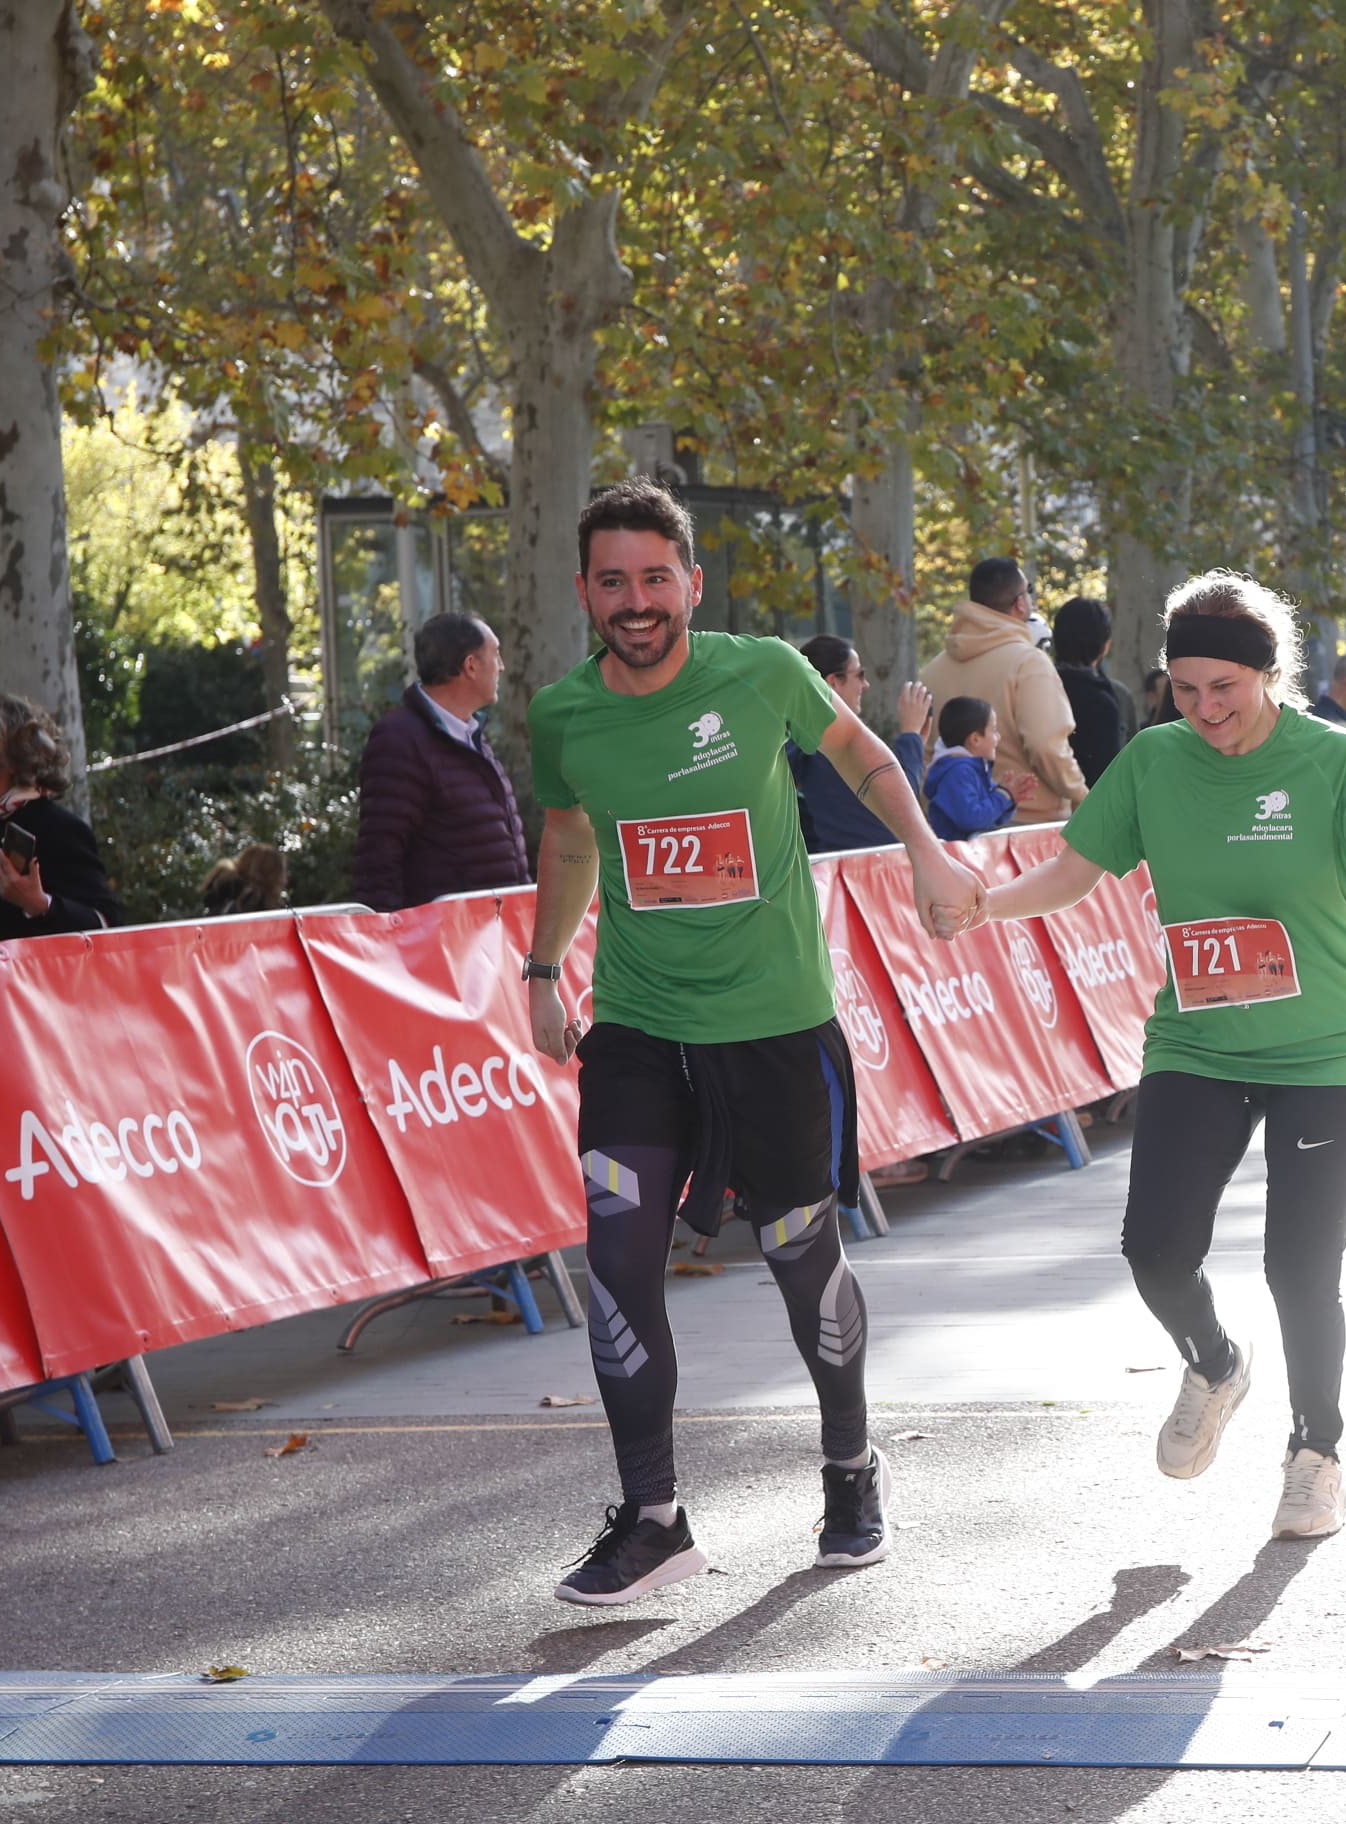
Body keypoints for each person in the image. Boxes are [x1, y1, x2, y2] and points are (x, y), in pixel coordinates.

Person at [523, 479, 984, 1602]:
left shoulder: (764, 671)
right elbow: (571, 834)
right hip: (638, 1023)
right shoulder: (563, 714)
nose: (636, 600)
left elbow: (867, 755)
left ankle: (849, 1468)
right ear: (586, 592)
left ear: (690, 581)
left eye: (655, 577)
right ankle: (653, 1518)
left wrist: (925, 847)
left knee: (797, 1254)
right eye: (613, 581)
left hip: (773, 1025)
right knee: (619, 1259)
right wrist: (544, 967)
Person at [957, 571, 1346, 1539]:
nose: (1207, 710)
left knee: (1302, 1266)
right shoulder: (1156, 760)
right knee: (1156, 1250)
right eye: (1188, 688)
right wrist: (982, 902)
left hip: (1328, 1052)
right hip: (1198, 1042)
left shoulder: (1334, 759)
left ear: (1269, 676)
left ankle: (1316, 1453)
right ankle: (1215, 1362)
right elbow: (1072, 871)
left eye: (1228, 688)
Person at [353, 611, 531, 912]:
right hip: (441, 943)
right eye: (496, 655)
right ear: (471, 666)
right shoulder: (400, 739)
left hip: (491, 936)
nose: (501, 666)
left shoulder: (470, 735)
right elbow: (379, 857)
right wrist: (389, 943)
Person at [0, 694, 123, 950]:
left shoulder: (56, 828)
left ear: (8, 760)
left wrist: (40, 904)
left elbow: (107, 928)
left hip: (31, 989)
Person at [923, 558, 1085, 824]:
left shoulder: (931, 672)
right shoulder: (1028, 663)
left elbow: (924, 756)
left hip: (950, 835)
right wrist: (1081, 795)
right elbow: (1045, 745)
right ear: (1020, 603)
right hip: (1030, 830)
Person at [793, 635, 931, 853]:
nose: (865, 685)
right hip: (869, 871)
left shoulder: (803, 743)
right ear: (833, 682)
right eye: (860, 674)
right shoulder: (829, 743)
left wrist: (914, 742)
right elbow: (901, 803)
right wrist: (910, 735)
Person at [1052, 597, 1137, 785]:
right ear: (1104, 646)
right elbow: (1111, 777)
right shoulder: (1105, 701)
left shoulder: (1035, 687)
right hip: (1087, 807)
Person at [924, 697, 1025, 840]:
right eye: (994, 730)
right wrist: (1003, 795)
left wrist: (1009, 799)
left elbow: (990, 820)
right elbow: (971, 819)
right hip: (955, 856)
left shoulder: (973, 768)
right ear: (975, 739)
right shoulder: (959, 772)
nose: (998, 737)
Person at [202, 843, 289, 916]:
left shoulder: (224, 902)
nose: (284, 880)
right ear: (265, 875)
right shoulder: (244, 910)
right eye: (279, 874)